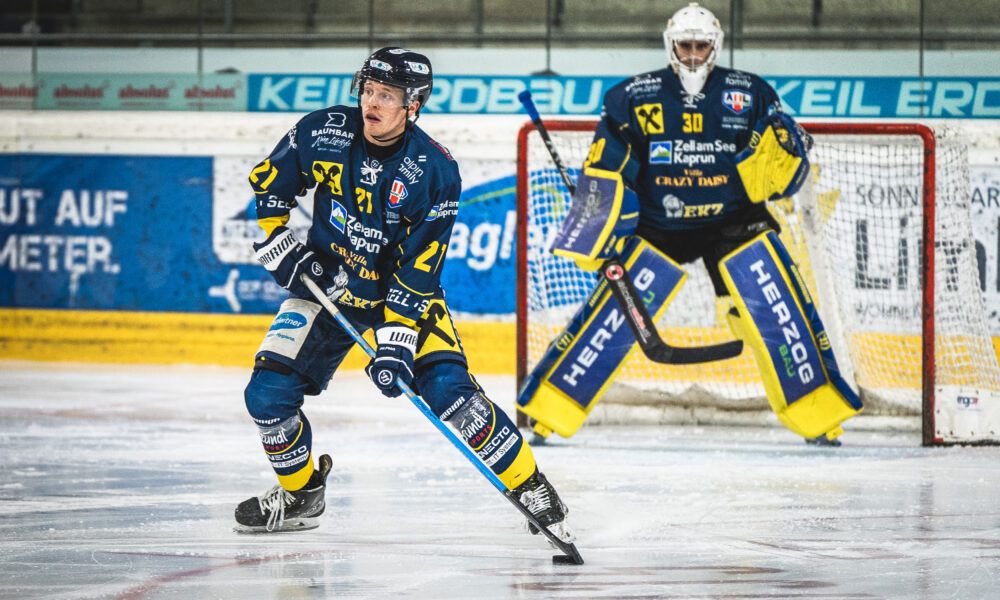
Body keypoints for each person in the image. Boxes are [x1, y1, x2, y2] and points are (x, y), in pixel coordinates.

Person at [235, 47, 574, 541]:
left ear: (413, 104)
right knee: (266, 396)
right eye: (368, 90)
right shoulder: (324, 130)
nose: (371, 103)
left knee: (451, 396)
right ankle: (302, 495)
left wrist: (397, 340)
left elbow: (418, 269)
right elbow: (271, 182)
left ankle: (531, 487)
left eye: (387, 95)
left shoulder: (435, 171)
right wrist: (276, 240)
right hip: (328, 289)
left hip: (404, 298)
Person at [517, 3, 862, 446]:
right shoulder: (634, 96)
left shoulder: (750, 92)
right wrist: (600, 223)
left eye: (702, 45)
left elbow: (778, 166)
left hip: (734, 222)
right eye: (686, 45)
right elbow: (608, 165)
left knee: (779, 312)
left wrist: (789, 153)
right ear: (671, 45)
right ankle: (548, 412)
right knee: (612, 318)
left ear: (715, 46)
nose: (694, 54)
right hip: (660, 226)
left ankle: (821, 417)